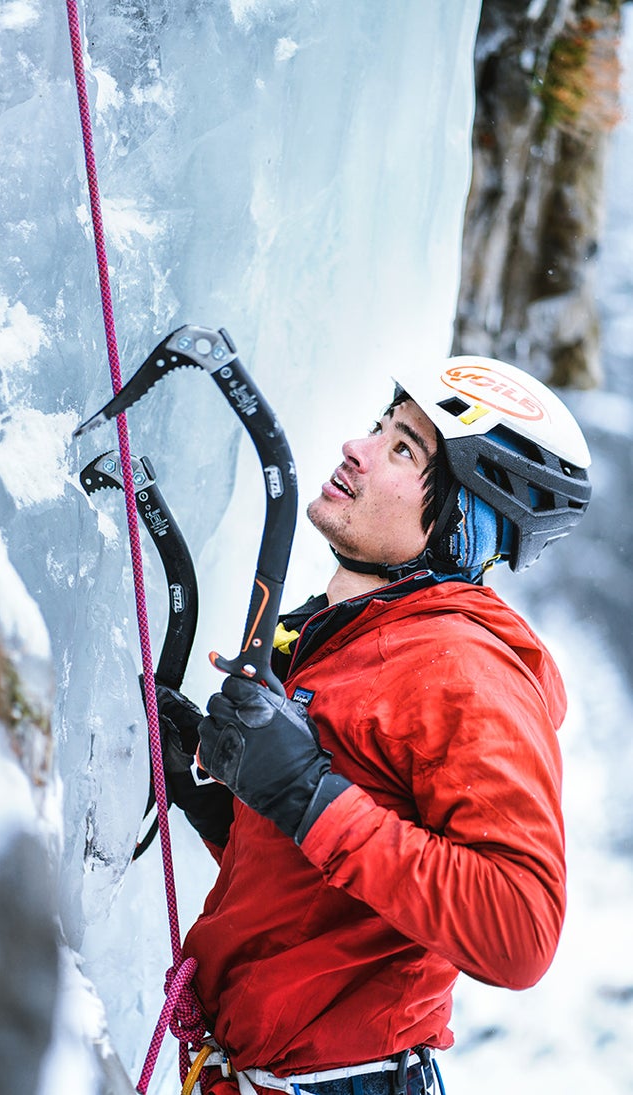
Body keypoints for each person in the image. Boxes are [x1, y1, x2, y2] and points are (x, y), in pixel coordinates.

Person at [155, 355, 592, 1095]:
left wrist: (303, 790)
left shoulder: (462, 667)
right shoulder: (357, 634)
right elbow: (335, 878)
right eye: (379, 428)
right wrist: (215, 797)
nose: (356, 448)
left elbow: (520, 925)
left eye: (403, 449)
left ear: (461, 525)